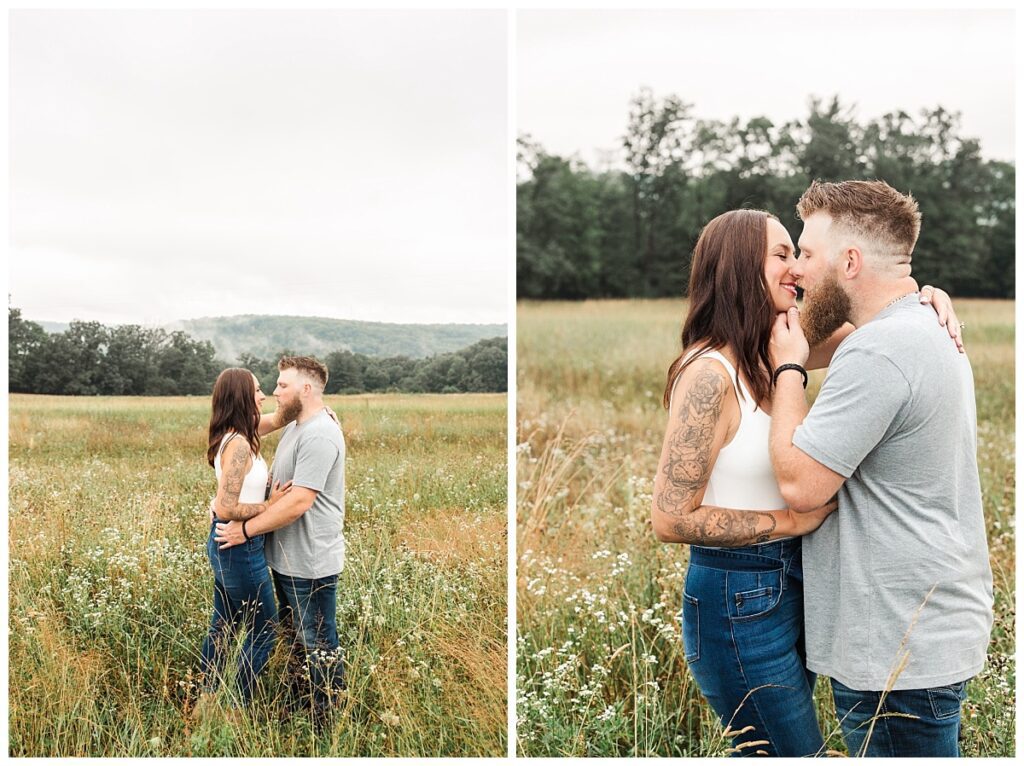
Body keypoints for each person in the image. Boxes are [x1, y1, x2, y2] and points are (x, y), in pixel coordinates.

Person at [651, 208, 962, 757]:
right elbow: (671, 516)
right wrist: (789, 521)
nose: (796, 267)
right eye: (781, 254)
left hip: (795, 584)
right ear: (739, 268)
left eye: (797, 253)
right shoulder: (707, 375)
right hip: (735, 596)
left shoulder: (775, 347)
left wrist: (928, 298)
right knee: (793, 753)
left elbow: (881, 320)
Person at [767, 180, 993, 758]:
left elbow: (799, 485)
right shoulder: (917, 328)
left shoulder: (879, 350)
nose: (796, 271)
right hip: (920, 633)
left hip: (895, 644)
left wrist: (787, 371)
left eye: (807, 254)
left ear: (850, 261)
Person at [215, 355, 347, 726]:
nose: (274, 391)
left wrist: (244, 530)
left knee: (319, 643)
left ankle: (325, 718)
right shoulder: (295, 425)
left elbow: (300, 502)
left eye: (282, 385)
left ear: (305, 389)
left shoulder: (319, 434)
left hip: (310, 561)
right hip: (286, 560)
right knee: (295, 640)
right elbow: (259, 423)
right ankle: (300, 704)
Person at [198, 368, 292, 711]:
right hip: (237, 547)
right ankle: (235, 707)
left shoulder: (241, 432)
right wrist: (269, 506)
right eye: (256, 390)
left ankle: (206, 704)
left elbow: (282, 416)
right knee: (265, 628)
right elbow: (226, 506)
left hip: (229, 545)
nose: (264, 394)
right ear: (241, 396)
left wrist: (319, 407)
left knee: (222, 626)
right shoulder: (238, 445)